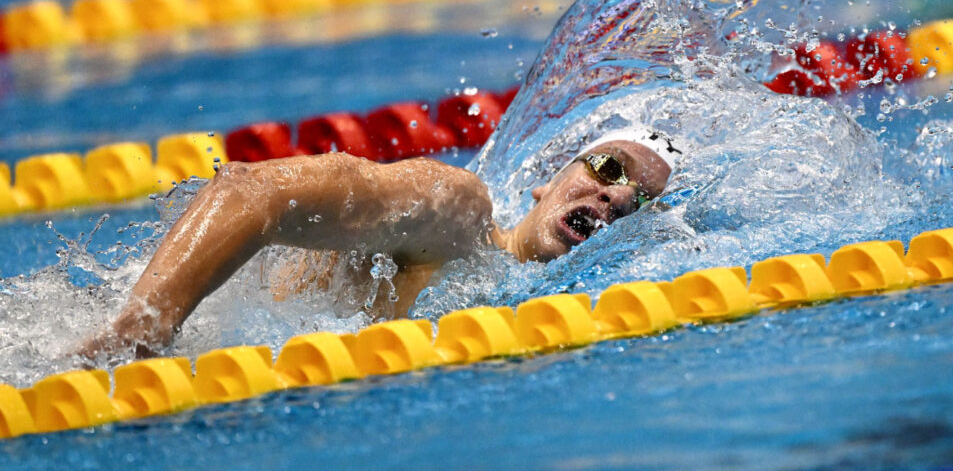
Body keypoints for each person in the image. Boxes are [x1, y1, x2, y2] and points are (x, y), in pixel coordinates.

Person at [80, 127, 678, 358]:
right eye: (607, 167)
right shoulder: (456, 213)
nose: (615, 198)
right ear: (548, 177)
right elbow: (250, 192)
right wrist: (138, 336)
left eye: (638, 202)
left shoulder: (529, 314)